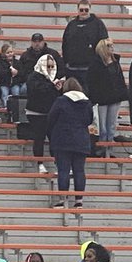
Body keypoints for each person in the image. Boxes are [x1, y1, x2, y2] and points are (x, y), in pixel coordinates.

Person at [48, 77, 94, 209]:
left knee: (63, 170)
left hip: (63, 139)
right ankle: (79, 200)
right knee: (79, 170)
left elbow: (51, 118)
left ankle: (63, 199)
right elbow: (89, 120)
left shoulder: (61, 101)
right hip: (81, 139)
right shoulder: (87, 102)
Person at [86, 39, 128, 156]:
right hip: (102, 98)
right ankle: (101, 147)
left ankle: (109, 149)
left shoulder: (115, 62)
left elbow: (120, 79)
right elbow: (92, 81)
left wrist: (123, 92)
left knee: (111, 125)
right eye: (109, 46)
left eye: (112, 45)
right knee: (102, 126)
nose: (112, 48)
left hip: (115, 96)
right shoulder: (96, 63)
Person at [25, 54, 63, 174]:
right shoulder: (33, 76)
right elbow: (36, 91)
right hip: (35, 113)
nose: (50, 69)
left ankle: (58, 163)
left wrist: (58, 88)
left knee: (55, 139)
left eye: (52, 66)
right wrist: (52, 86)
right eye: (48, 66)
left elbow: (55, 96)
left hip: (50, 113)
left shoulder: (53, 78)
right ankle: (40, 163)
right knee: (39, 138)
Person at [62, 0, 109, 85]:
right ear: (78, 10)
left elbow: (104, 44)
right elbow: (65, 44)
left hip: (91, 68)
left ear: (90, 10)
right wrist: (66, 62)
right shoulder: (71, 25)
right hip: (72, 67)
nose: (84, 12)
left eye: (86, 10)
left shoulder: (98, 24)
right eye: (81, 10)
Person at [0, 42, 24, 108]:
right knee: (4, 94)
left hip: (15, 83)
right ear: (3, 54)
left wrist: (17, 72)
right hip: (4, 83)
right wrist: (9, 72)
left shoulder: (17, 62)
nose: (10, 54)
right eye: (8, 53)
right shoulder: (0, 62)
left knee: (16, 93)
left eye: (11, 52)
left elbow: (22, 72)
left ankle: (16, 108)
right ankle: (6, 107)